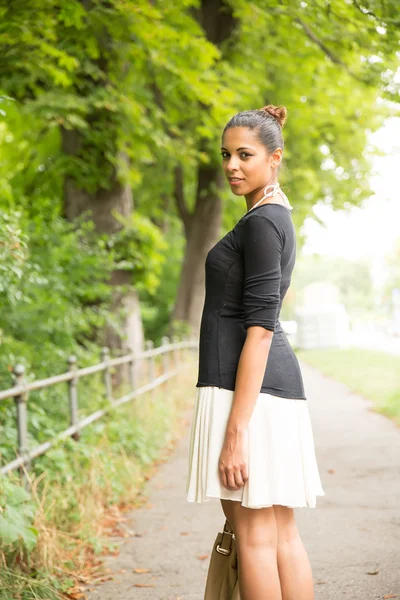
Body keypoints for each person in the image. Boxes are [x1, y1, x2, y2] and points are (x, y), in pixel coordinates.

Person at [185, 104, 325, 600]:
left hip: (248, 395)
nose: (231, 165)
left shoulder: (263, 223)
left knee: (256, 537)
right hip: (263, 393)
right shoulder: (271, 218)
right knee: (277, 533)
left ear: (275, 157)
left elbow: (261, 329)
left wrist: (235, 434)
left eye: (245, 154)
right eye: (226, 154)